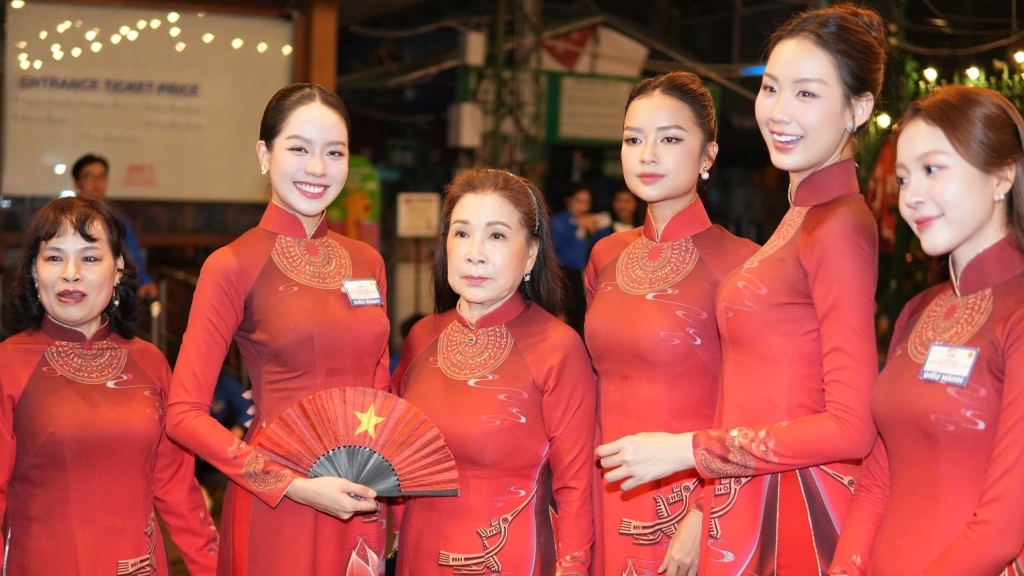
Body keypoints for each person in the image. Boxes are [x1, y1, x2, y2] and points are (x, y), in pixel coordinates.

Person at [597, 5, 886, 575]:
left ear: (859, 108)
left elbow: (852, 425)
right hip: (750, 499)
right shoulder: (801, 217)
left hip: (795, 509)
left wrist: (688, 451)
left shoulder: (838, 224)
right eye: (771, 88)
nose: (779, 111)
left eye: (807, 93)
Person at [166, 83, 390, 575]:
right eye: (299, 149)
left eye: (334, 152)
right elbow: (182, 413)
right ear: (264, 155)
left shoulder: (368, 262)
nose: (318, 168)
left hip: (361, 490)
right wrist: (294, 486)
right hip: (279, 498)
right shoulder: (231, 265)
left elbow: (380, 389)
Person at [830, 87, 1024, 575]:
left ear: (1002, 176)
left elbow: (1002, 528)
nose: (911, 196)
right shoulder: (917, 310)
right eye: (903, 177)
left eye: (933, 169)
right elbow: (878, 481)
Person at [586, 72, 759, 576]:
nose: (647, 155)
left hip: (692, 499)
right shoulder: (604, 257)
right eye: (633, 139)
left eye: (670, 139)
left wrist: (705, 513)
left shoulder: (745, 264)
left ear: (708, 155)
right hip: (604, 492)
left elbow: (751, 406)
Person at [391, 168, 596, 575]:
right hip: (416, 557)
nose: (475, 253)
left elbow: (576, 485)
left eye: (497, 235)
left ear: (531, 253)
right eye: (461, 233)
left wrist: (573, 566)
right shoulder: (420, 338)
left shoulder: (558, 348)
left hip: (508, 560)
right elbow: (389, 455)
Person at [0, 195, 218, 574]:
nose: (71, 273)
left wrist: (213, 567)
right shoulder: (8, 364)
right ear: (35, 271)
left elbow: (177, 487)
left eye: (89, 257)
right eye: (54, 257)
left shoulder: (151, 363)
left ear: (117, 269)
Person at [72, 154, 159, 300]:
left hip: (111, 291)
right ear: (77, 182)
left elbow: (133, 255)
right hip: (74, 285)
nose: (97, 183)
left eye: (102, 176)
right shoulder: (66, 217)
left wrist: (145, 281)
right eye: (89, 176)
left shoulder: (117, 217)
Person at [551, 183, 604, 334]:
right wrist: (576, 226)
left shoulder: (588, 221)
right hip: (561, 274)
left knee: (578, 315)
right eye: (578, 201)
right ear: (568, 200)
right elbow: (553, 245)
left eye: (586, 202)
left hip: (580, 274)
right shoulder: (559, 221)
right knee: (562, 319)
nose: (583, 206)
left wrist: (593, 229)